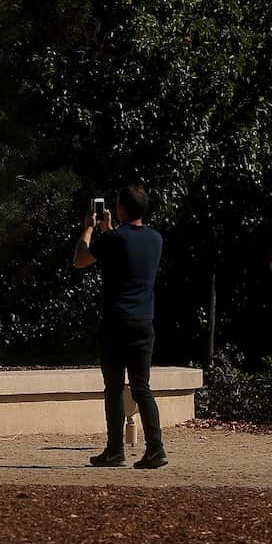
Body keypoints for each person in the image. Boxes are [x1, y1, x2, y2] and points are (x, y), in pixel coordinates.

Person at [73, 184, 168, 469]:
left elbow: (80, 260)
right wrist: (110, 232)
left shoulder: (113, 239)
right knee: (142, 387)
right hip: (144, 322)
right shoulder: (155, 239)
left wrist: (88, 229)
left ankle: (115, 450)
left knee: (113, 388)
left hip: (116, 323)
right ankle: (156, 449)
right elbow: (125, 254)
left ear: (121, 209)